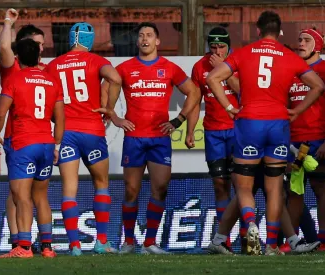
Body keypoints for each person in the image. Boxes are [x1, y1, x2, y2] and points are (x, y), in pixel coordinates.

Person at [206, 11, 325, 255]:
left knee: (244, 187)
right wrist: (296, 110)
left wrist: (230, 108)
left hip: (249, 123)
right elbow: (318, 86)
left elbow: (213, 77)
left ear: (257, 31)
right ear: (279, 32)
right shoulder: (290, 56)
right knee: (274, 189)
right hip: (278, 124)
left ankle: (250, 223)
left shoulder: (244, 53)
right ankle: (272, 244)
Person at [97, 22, 201, 255]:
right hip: (134, 137)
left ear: (157, 41)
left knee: (160, 187)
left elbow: (194, 91)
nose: (145, 39)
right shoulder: (125, 68)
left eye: (149, 35)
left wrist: (179, 120)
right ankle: (129, 241)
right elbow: (106, 86)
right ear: (137, 42)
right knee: (131, 190)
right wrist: (114, 115)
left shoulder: (169, 67)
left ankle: (150, 243)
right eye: (141, 36)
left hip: (159, 137)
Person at [45, 22, 123, 256]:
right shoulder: (96, 61)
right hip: (92, 131)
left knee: (69, 190)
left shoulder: (54, 65)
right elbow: (116, 79)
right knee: (101, 184)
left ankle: (75, 245)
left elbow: (48, 97)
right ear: (90, 39)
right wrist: (109, 108)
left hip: (66, 131)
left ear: (71, 39)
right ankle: (101, 242)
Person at [0, 39, 65, 258]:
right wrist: (57, 144)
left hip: (23, 143)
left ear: (18, 58)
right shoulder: (52, 81)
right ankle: (47, 247)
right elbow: (60, 117)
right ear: (38, 58)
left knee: (21, 196)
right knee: (41, 197)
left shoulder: (14, 79)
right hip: (46, 144)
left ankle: (23, 247)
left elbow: (0, 113)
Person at [285, 27, 325, 252]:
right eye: (299, 39)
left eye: (306, 40)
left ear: (317, 45)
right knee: (294, 190)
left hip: (319, 139)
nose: (300, 43)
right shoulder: (291, 71)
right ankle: (293, 242)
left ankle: (323, 240)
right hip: (296, 143)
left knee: (319, 186)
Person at [186, 26, 240, 249]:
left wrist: (222, 70)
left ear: (229, 46)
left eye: (221, 46)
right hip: (213, 132)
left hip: (239, 130)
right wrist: (190, 131)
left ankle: (248, 236)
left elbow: (243, 91)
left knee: (243, 186)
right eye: (213, 46)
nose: (217, 51)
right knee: (220, 184)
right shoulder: (199, 66)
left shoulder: (238, 61)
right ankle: (223, 240)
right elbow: (195, 101)